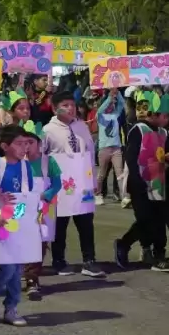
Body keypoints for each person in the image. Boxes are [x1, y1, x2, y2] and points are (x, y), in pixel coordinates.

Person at [114, 91, 169, 271]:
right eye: (164, 115)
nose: (166, 119)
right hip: (140, 183)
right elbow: (131, 157)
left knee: (159, 219)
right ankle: (125, 243)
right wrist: (138, 181)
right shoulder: (138, 130)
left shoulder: (164, 132)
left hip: (159, 182)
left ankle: (159, 255)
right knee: (145, 220)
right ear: (153, 114)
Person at [0, 125, 40, 325]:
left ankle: (11, 307)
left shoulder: (26, 167)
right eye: (19, 143)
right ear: (5, 146)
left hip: (19, 222)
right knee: (8, 268)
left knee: (18, 268)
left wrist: (23, 219)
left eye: (27, 143)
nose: (25, 147)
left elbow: (26, 197)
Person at [43, 90, 105, 277]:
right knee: (60, 223)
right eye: (65, 105)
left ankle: (89, 260)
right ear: (55, 108)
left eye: (72, 104)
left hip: (82, 182)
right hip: (60, 185)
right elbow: (43, 158)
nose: (71, 108)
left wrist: (93, 179)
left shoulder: (81, 127)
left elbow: (90, 153)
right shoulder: (48, 130)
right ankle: (59, 260)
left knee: (86, 222)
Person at [24, 127, 62, 298]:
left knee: (40, 243)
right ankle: (21, 273)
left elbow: (57, 184)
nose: (26, 147)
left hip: (44, 208)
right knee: (21, 240)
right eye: (23, 143)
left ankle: (32, 278)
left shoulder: (49, 162)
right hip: (23, 208)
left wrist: (45, 196)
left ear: (39, 145)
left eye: (30, 142)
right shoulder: (18, 163)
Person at [95, 88, 125, 205]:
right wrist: (110, 97)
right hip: (104, 149)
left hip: (116, 148)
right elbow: (102, 108)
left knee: (120, 173)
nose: (112, 104)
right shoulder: (100, 115)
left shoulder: (115, 115)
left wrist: (118, 94)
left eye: (113, 103)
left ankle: (124, 196)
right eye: (111, 103)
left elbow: (121, 104)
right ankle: (98, 194)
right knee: (101, 174)